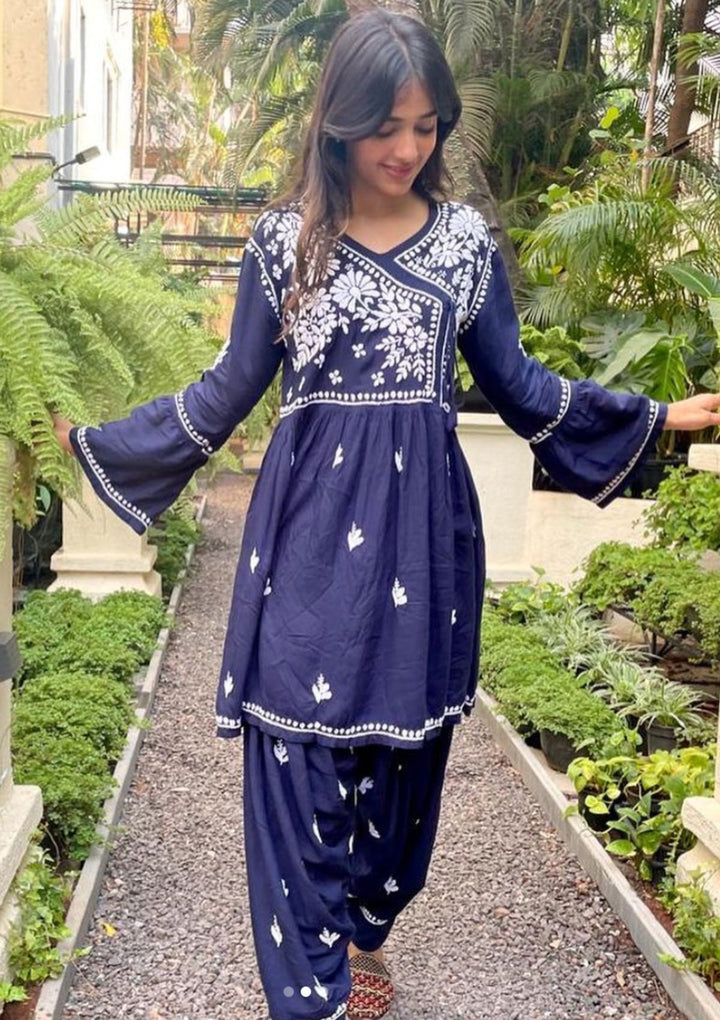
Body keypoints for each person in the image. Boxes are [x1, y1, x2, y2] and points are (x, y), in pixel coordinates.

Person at [53, 10, 720, 1020]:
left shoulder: (462, 246)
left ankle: (366, 924)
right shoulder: (284, 245)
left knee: (406, 768)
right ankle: (311, 992)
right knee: (295, 748)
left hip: (423, 542)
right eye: (386, 127)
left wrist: (655, 417)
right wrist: (96, 444)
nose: (407, 148)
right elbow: (227, 389)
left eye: (426, 126)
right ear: (339, 123)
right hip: (307, 540)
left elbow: (519, 385)